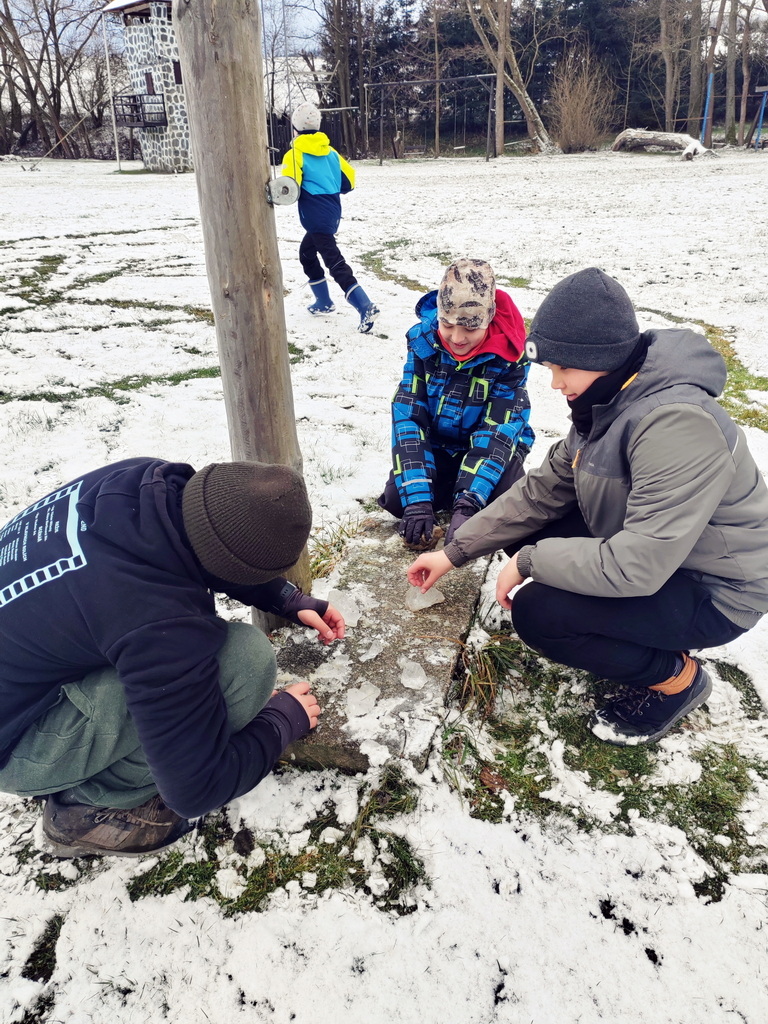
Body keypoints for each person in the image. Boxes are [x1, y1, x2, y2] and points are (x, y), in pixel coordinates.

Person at [407, 267, 768, 745]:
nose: (555, 383)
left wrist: (531, 561)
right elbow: (542, 491)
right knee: (533, 526)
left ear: (601, 358)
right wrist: (453, 553)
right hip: (664, 555)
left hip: (715, 589)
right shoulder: (610, 398)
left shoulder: (676, 425)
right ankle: (631, 633)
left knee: (541, 613)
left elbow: (639, 565)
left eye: (563, 368)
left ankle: (677, 680)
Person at [0, 457, 345, 857]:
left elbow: (196, 541)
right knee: (244, 662)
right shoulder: (155, 619)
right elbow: (196, 790)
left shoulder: (142, 481)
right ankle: (90, 808)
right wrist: (279, 723)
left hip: (22, 679)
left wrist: (285, 597)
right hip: (15, 748)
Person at [379, 257, 534, 551]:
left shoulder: (510, 356)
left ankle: (465, 494)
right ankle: (443, 490)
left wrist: (469, 504)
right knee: (399, 500)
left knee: (508, 507)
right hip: (439, 445)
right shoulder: (423, 343)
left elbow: (497, 430)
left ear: (488, 319)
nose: (457, 338)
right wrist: (417, 500)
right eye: (447, 325)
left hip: (493, 447)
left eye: (470, 329)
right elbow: (408, 416)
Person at [281, 101, 379, 334]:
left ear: (295, 128)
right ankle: (323, 302)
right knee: (306, 254)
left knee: (334, 261)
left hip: (314, 216)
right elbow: (349, 181)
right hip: (332, 212)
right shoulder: (332, 152)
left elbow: (289, 188)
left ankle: (364, 305)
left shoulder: (295, 154)